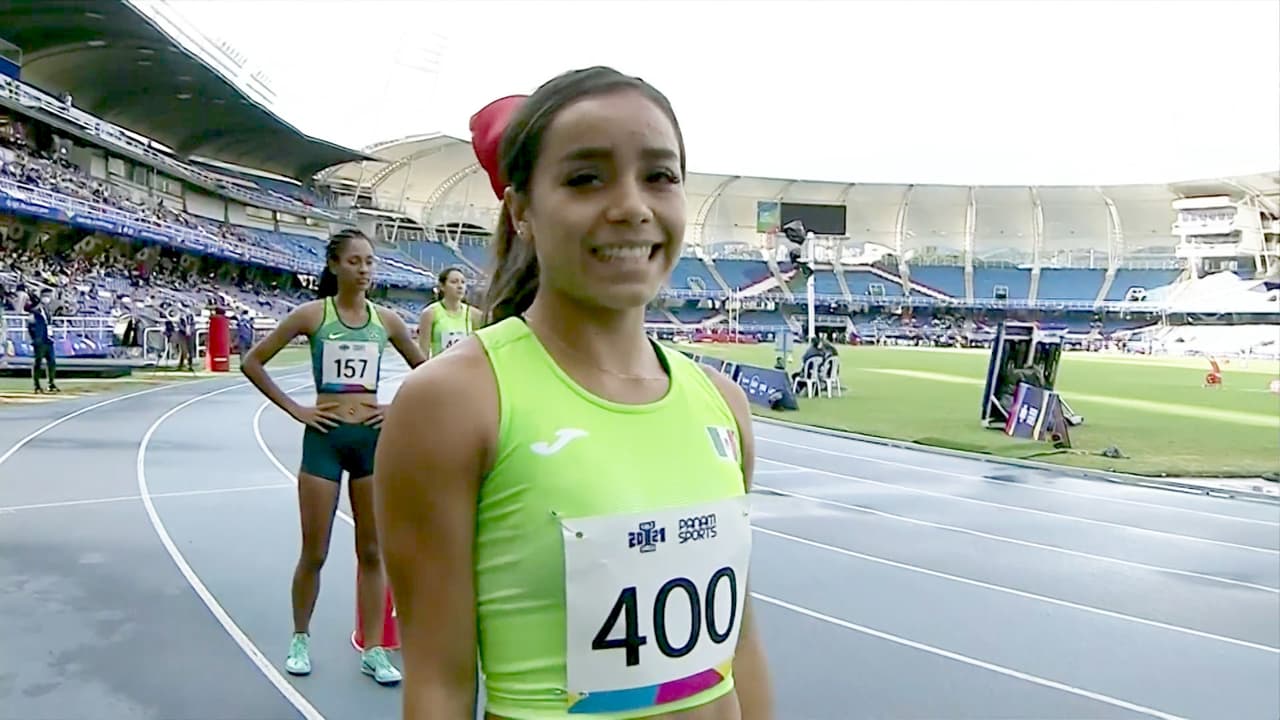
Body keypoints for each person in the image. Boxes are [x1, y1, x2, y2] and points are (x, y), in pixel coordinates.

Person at [373, 67, 774, 720]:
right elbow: (439, 688)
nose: (631, 206)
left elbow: (740, 651)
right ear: (522, 211)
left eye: (659, 176)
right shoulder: (455, 403)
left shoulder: (722, 404)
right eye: (586, 178)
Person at [241, 228, 427, 685]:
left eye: (370, 262)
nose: (364, 270)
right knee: (315, 551)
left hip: (369, 444)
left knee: (372, 550)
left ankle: (374, 647)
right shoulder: (312, 315)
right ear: (334, 266)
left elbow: (431, 372)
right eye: (355, 262)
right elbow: (252, 361)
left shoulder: (386, 321)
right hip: (323, 441)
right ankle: (300, 638)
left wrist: (397, 407)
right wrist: (296, 409)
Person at [416, 266, 483, 359]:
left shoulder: (474, 314)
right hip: (440, 369)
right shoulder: (430, 313)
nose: (460, 286)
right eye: (454, 282)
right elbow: (423, 353)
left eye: (463, 282)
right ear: (442, 286)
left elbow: (479, 350)